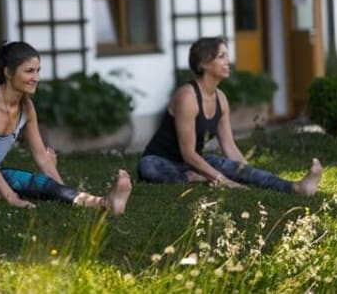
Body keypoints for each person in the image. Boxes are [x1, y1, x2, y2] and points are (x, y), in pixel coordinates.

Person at [0, 41, 132, 213]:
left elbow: (41, 158)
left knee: (37, 183)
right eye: (29, 71)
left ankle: (104, 203)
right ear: (8, 72)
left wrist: (61, 191)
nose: (36, 77)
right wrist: (12, 198)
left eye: (37, 71)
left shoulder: (27, 107)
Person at [137, 36, 322, 196]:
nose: (228, 61)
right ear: (203, 64)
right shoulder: (187, 98)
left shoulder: (221, 99)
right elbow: (188, 154)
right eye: (221, 56)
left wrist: (246, 173)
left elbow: (229, 146)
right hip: (163, 161)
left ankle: (296, 187)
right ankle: (194, 177)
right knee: (148, 167)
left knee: (228, 165)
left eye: (227, 55)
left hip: (196, 163)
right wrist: (223, 180)